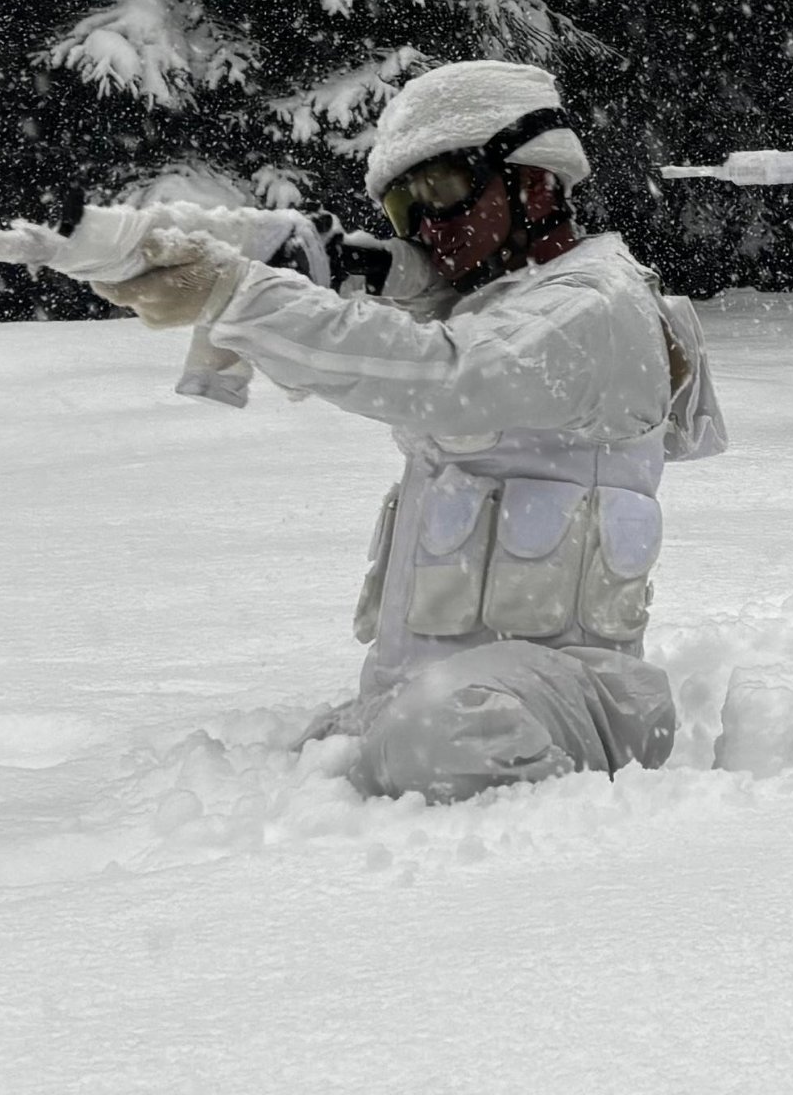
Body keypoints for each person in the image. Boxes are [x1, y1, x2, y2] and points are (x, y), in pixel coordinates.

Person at [92, 56, 724, 799]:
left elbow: (442, 373)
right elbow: (448, 301)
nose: (427, 226)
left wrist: (242, 294)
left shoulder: (593, 306)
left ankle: (598, 848)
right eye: (403, 209)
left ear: (536, 178)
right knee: (342, 750)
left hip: (569, 697)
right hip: (446, 684)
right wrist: (334, 263)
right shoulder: (502, 297)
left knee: (440, 729)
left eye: (443, 189)